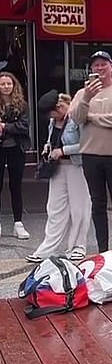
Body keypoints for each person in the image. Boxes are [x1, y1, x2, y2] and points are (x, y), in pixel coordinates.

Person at [69, 51, 112, 252]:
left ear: (111, 67)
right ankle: (103, 250)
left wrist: (93, 118)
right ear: (91, 69)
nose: (99, 69)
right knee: (97, 204)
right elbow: (77, 118)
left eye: (103, 64)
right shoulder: (82, 94)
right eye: (96, 65)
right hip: (90, 155)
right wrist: (87, 98)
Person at [27, 91, 92, 263]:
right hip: (58, 168)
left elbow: (87, 142)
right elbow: (52, 138)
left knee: (79, 208)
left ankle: (78, 246)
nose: (51, 117)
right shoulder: (52, 121)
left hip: (77, 166)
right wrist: (48, 148)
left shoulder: (76, 118)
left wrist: (63, 151)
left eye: (52, 113)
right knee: (54, 208)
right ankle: (47, 248)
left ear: (60, 107)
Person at [0, 71, 30, 240]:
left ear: (14, 85)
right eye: (2, 84)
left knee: (15, 186)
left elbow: (24, 126)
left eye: (9, 84)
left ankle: (18, 223)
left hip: (17, 148)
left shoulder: (22, 105)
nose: (6, 87)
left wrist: (4, 126)